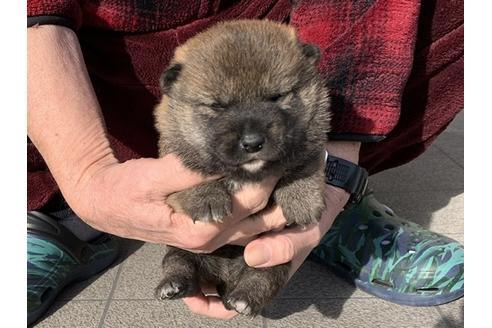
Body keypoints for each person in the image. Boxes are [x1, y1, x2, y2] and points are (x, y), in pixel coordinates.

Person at [27, 0, 463, 324]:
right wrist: (86, 172)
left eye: (276, 99)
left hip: (282, 31)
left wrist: (332, 178)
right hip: (96, 65)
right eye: (218, 108)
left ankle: (339, 212)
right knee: (182, 245)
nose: (252, 134)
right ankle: (57, 214)